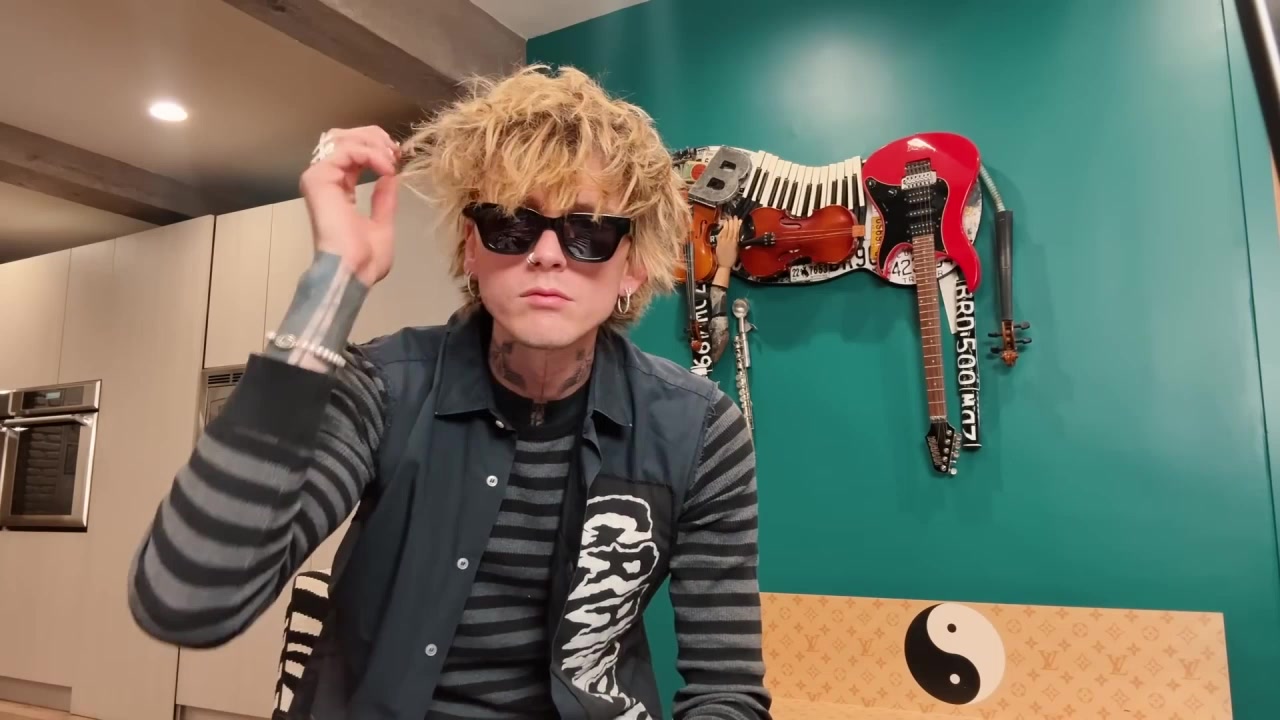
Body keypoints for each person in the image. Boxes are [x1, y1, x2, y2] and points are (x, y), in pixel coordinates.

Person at [126, 65, 771, 720]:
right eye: (512, 224)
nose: (548, 254)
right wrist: (331, 286)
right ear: (471, 249)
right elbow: (185, 602)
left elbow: (727, 691)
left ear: (631, 265)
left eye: (589, 230)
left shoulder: (698, 431)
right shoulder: (383, 389)